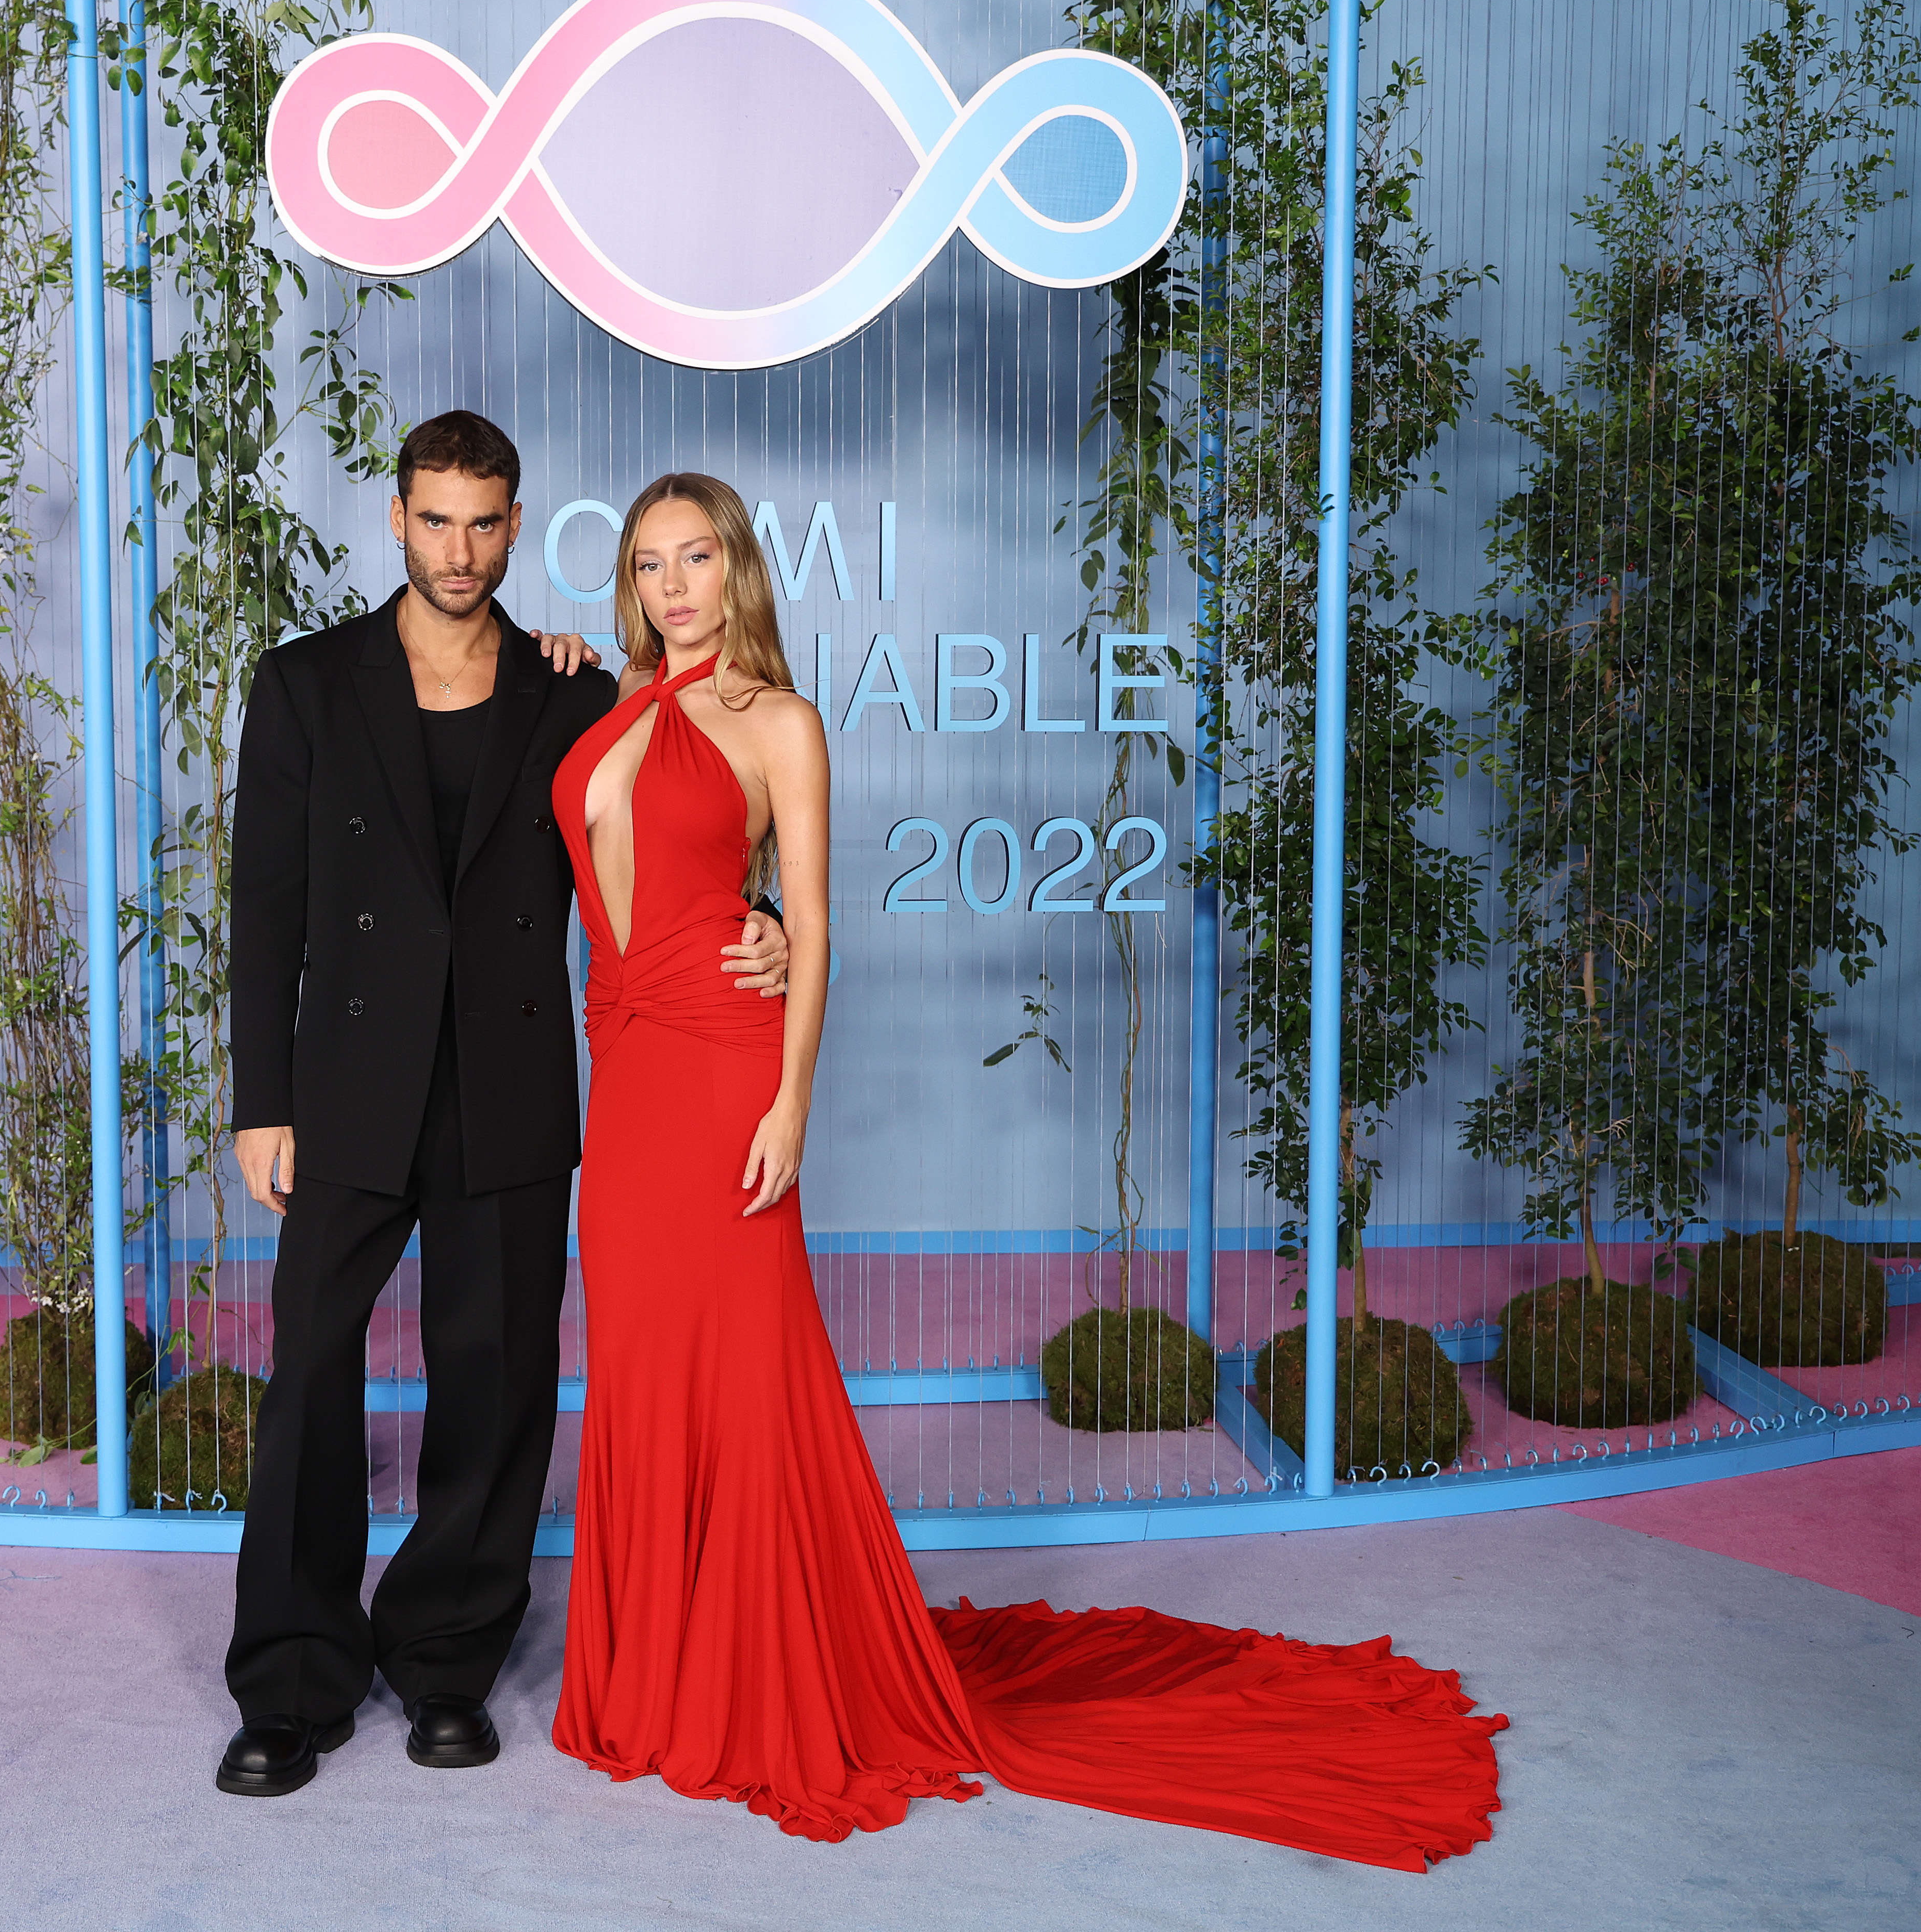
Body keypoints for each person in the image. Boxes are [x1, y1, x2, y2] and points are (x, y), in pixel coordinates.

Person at [548, 472, 1509, 1868]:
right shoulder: (601, 706)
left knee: (742, 1365)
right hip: (624, 1080)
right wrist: (569, 662)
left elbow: (810, 926)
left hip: (721, 1078)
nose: (674, 586)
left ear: (741, 570)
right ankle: (648, 1669)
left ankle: (747, 1670)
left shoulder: (782, 724)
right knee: (638, 1361)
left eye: (698, 558)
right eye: (648, 564)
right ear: (628, 583)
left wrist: (792, 1104)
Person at [216, 413, 789, 1798]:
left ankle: (447, 1663)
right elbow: (267, 906)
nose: (458, 551)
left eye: (483, 524)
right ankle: (293, 1680)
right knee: (307, 1376)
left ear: (517, 526)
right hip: (349, 1086)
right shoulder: (303, 686)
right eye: (434, 521)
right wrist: (261, 1099)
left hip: (510, 1084)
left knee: (497, 1378)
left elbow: (679, 845)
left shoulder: (573, 697)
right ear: (397, 520)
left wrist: (761, 921)